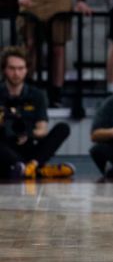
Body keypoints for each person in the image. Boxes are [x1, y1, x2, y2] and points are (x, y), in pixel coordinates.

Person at [0, 46, 73, 179]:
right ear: (4, 69)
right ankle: (39, 170)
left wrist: (27, 133)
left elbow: (42, 129)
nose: (16, 73)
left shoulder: (37, 95)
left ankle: (31, 166)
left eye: (20, 68)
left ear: (27, 69)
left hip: (29, 145)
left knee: (62, 128)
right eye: (12, 68)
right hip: (4, 147)